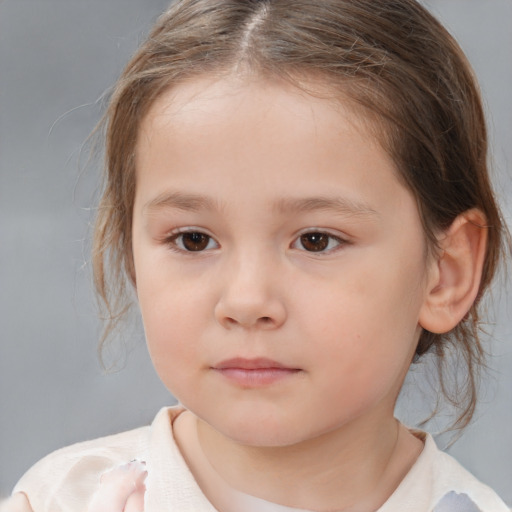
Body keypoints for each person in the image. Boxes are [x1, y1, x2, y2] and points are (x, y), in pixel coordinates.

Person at [3, 0, 510, 510]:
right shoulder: (60, 500)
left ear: (446, 273)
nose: (247, 301)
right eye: (193, 239)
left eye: (316, 240)